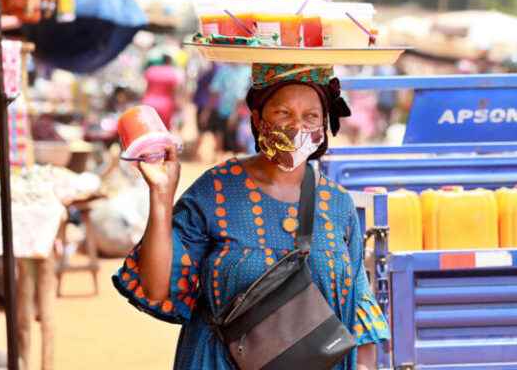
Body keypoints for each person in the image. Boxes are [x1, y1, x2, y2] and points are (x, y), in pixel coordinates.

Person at [112, 63, 389, 370]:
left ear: (324, 125)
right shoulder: (215, 190)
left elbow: (358, 302)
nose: (297, 126)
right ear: (257, 118)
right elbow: (155, 287)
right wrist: (162, 196)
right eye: (283, 113)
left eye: (311, 116)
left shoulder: (338, 204)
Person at [142, 53, 184, 128]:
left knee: (148, 128)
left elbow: (145, 88)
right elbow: (175, 91)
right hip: (165, 105)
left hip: (149, 103)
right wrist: (178, 106)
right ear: (170, 61)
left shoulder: (151, 70)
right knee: (163, 130)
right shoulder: (173, 73)